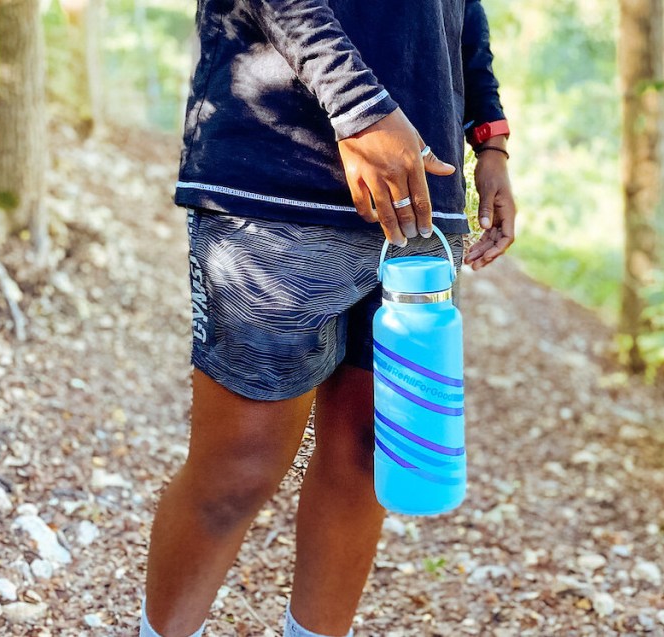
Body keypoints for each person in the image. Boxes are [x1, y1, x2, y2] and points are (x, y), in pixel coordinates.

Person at [141, 1, 516, 635]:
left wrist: (492, 142)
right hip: (278, 181)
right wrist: (360, 109)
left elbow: (462, 14)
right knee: (240, 465)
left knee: (370, 457)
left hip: (422, 203)